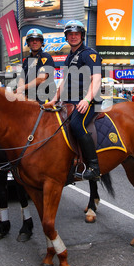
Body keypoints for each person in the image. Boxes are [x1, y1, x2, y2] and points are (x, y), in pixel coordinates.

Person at [48, 20, 102, 181]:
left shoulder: (90, 54)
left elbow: (97, 79)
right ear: (66, 37)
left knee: (77, 125)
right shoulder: (69, 57)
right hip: (69, 100)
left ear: (82, 36)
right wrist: (53, 100)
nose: (73, 37)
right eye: (70, 34)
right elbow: (63, 82)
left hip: (88, 101)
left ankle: (94, 166)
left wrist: (86, 100)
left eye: (76, 34)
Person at [16, 29, 56, 104]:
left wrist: (22, 88)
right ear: (28, 43)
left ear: (41, 42)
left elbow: (41, 79)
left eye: (37, 40)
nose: (34, 42)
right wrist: (20, 92)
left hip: (43, 98)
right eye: (32, 40)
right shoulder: (26, 60)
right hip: (28, 97)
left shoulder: (46, 57)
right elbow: (22, 78)